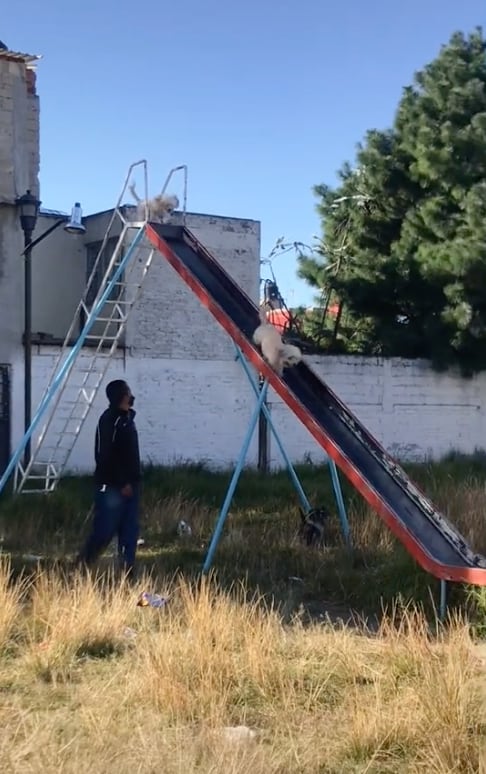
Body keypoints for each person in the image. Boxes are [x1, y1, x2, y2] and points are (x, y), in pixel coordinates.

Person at [77, 379, 141, 577]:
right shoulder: (109, 421)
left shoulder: (127, 419)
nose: (131, 396)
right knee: (104, 531)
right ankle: (82, 565)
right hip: (113, 488)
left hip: (131, 486)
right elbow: (104, 456)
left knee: (129, 532)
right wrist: (122, 483)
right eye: (128, 392)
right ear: (123, 396)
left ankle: (126, 573)